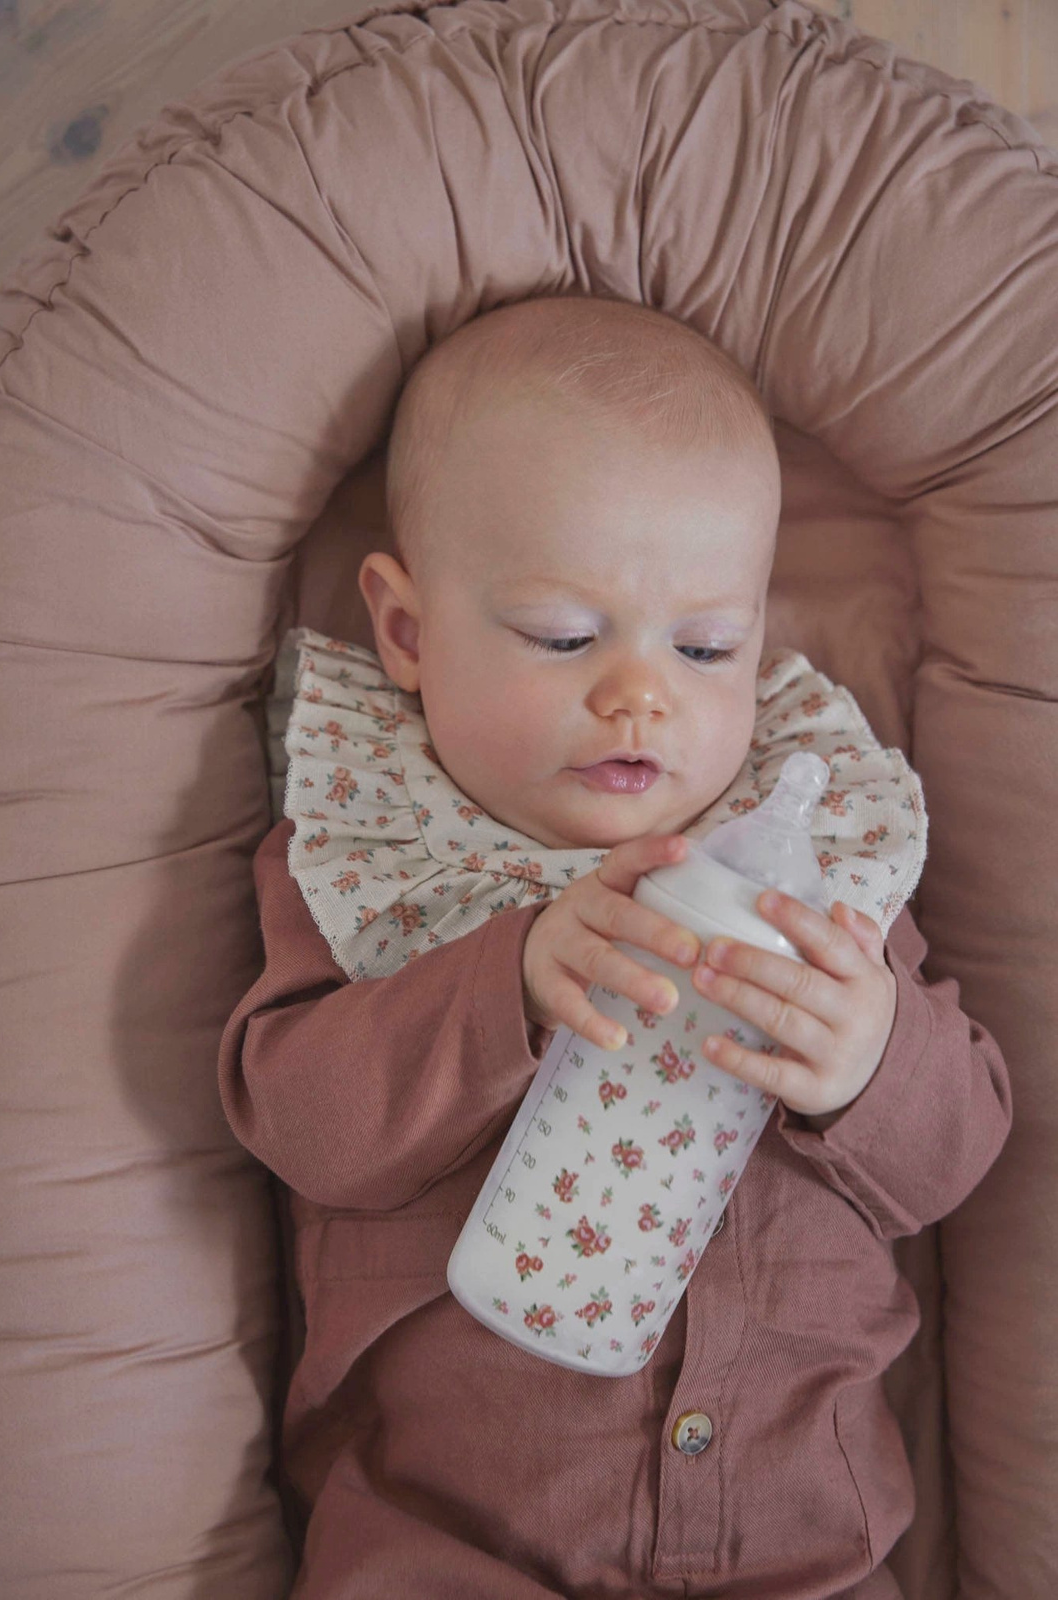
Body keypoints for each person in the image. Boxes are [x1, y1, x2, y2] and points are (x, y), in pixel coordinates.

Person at [218, 294, 1012, 1599]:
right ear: (407, 633)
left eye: (705, 646)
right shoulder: (375, 850)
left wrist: (872, 1057)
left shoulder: (814, 860)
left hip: (802, 1544)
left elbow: (954, 1158)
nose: (640, 693)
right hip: (451, 1535)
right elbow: (296, 1122)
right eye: (566, 637)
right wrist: (510, 985)